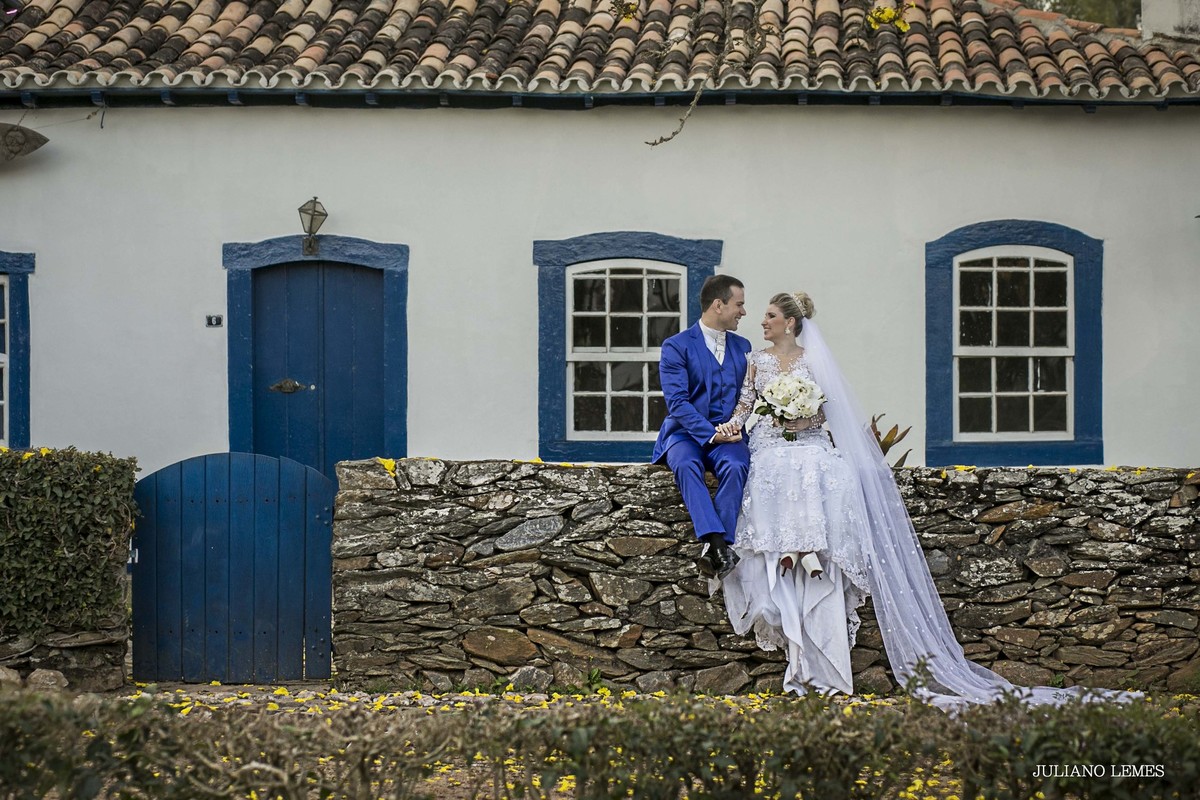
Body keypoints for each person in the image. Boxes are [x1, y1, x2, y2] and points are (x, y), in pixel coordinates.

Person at [718, 291, 1137, 709]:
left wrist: (801, 417)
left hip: (806, 438)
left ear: (789, 322)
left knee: (821, 468)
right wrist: (730, 428)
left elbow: (826, 411)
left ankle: (806, 549)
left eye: (770, 316)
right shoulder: (757, 360)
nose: (763, 321)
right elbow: (744, 406)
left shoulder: (814, 359)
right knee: (775, 468)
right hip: (772, 442)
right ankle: (795, 550)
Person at [652, 274, 751, 579]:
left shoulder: (743, 346)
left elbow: (747, 396)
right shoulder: (676, 346)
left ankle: (713, 551)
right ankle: (718, 542)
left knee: (737, 467)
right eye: (739, 304)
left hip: (730, 433)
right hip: (686, 434)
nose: (744, 312)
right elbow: (678, 402)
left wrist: (731, 428)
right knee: (685, 463)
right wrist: (710, 434)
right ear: (718, 305)